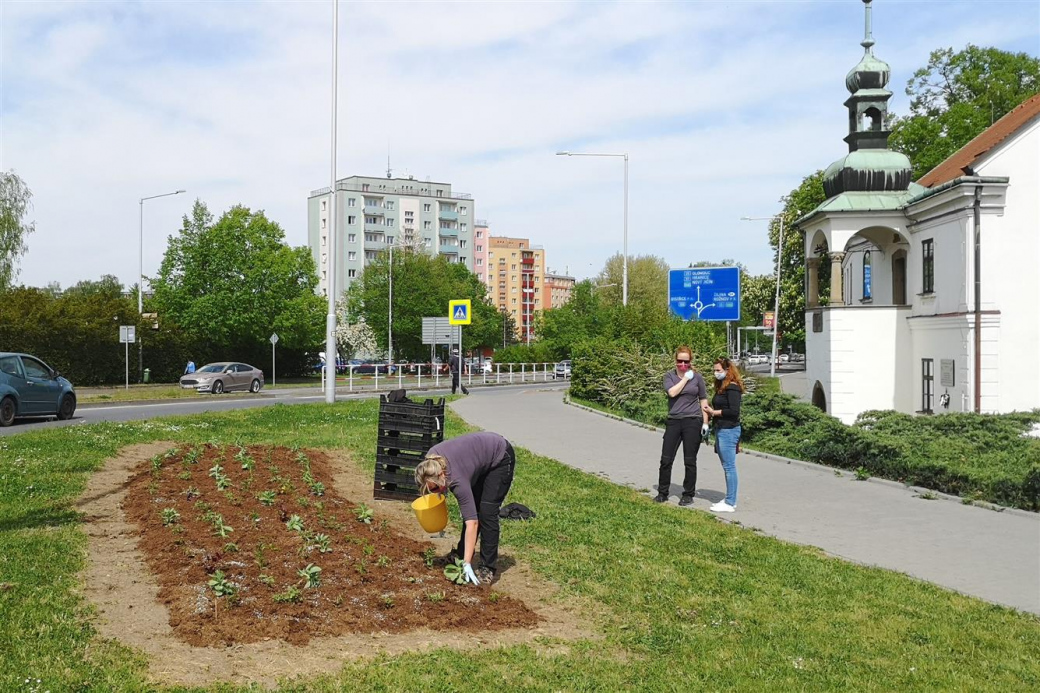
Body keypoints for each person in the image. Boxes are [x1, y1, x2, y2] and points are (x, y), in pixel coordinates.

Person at [414, 431, 516, 585]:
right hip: (478, 460)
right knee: (472, 508)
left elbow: (472, 523)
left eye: (435, 489)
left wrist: (467, 564)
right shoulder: (430, 461)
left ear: (441, 475)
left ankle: (487, 567)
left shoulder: (457, 481)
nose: (434, 493)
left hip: (499, 456)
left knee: (487, 512)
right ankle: (460, 555)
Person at [655, 346, 709, 506]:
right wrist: (685, 378)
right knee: (666, 459)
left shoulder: (698, 378)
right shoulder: (669, 376)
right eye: (680, 361)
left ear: (690, 361)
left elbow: (703, 400)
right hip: (674, 420)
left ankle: (688, 494)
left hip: (693, 420)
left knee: (690, 460)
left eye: (686, 361)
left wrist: (705, 422)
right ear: (675, 361)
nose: (683, 364)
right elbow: (672, 393)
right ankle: (662, 492)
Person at [702, 357, 745, 513]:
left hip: (729, 430)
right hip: (721, 429)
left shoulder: (732, 388)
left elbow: (734, 412)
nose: (716, 373)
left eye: (718, 370)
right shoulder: (722, 387)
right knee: (726, 466)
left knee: (729, 467)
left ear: (728, 370)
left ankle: (730, 502)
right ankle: (729, 498)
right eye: (714, 370)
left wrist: (714, 412)